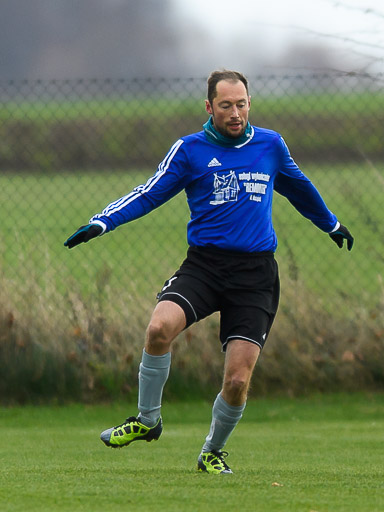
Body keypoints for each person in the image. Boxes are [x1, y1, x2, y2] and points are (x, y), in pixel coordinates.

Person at [64, 69, 354, 474]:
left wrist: (330, 223)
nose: (235, 113)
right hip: (205, 266)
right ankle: (147, 420)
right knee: (158, 328)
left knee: (237, 382)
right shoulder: (189, 150)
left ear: (250, 104)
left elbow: (299, 187)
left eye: (241, 104)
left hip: (255, 276)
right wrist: (103, 221)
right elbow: (149, 193)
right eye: (226, 105)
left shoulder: (270, 145)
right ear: (209, 107)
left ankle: (211, 452)